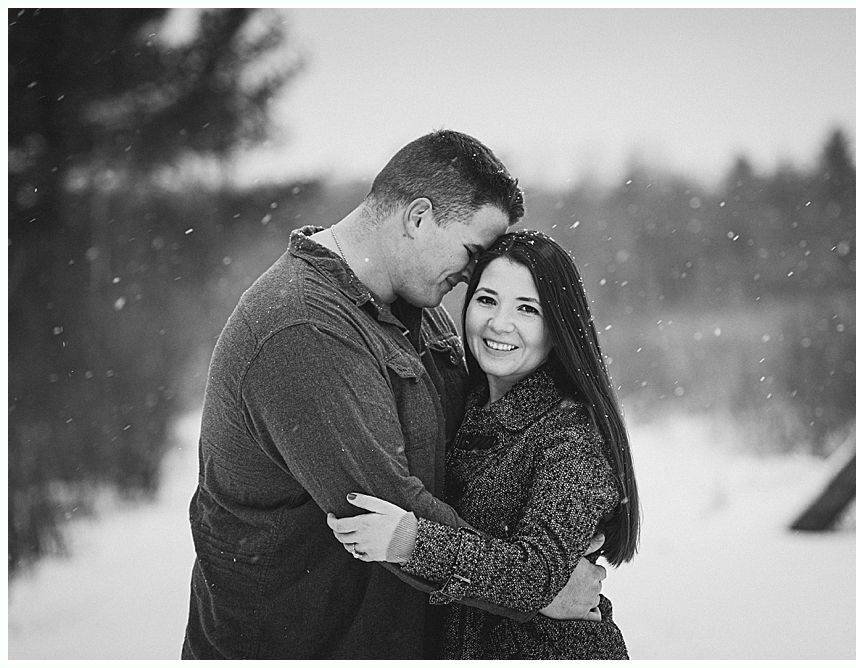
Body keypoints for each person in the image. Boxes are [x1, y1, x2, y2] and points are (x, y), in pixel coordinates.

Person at [181, 131, 606, 660]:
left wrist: (551, 526)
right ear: (418, 217)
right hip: (299, 643)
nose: (472, 276)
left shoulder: (417, 306)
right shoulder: (303, 329)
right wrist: (538, 584)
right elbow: (385, 507)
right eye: (472, 252)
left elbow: (474, 443)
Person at [328, 230, 641, 659]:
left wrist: (410, 542)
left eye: (527, 309)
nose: (499, 324)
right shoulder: (465, 405)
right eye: (487, 300)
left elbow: (536, 575)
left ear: (559, 327)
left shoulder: (569, 436)